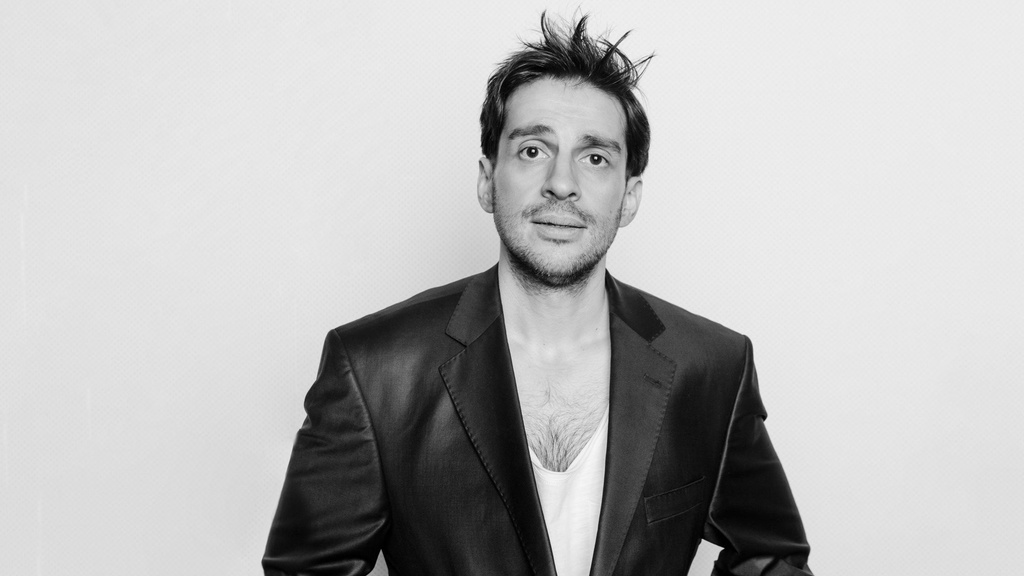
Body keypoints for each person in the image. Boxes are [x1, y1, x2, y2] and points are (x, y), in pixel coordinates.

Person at [264, 14, 812, 576]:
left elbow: (772, 560)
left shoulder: (712, 366)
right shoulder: (373, 370)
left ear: (629, 197)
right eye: (532, 150)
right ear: (487, 179)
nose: (562, 183)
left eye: (595, 158)